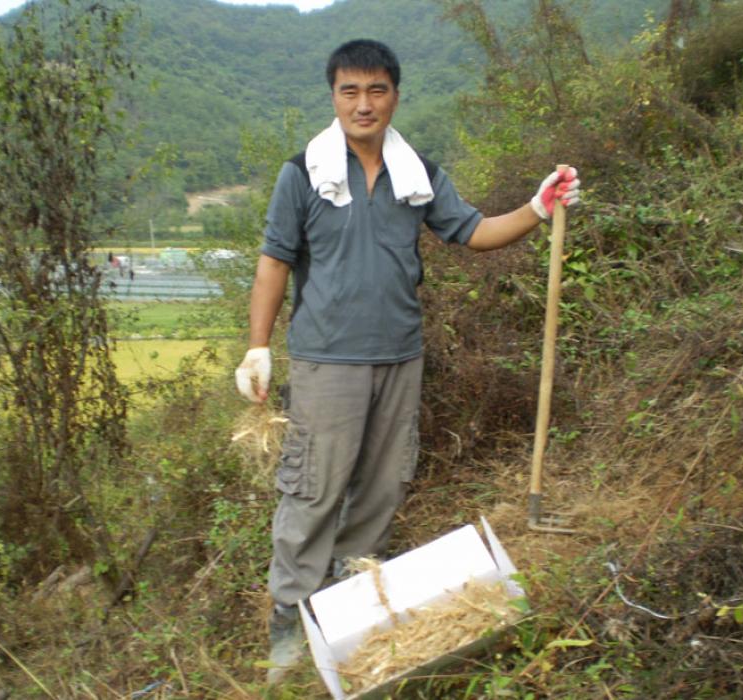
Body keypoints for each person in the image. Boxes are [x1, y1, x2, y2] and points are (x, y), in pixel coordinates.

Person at [234, 39, 579, 683]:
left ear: (395, 94)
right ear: (333, 96)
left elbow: (474, 232)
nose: (363, 105)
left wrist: (538, 208)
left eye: (376, 90)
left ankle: (347, 601)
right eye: (349, 91)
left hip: (399, 354)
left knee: (385, 482)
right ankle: (288, 616)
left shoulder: (416, 172)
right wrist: (258, 345)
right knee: (314, 488)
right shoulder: (303, 173)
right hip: (326, 360)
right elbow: (275, 259)